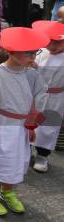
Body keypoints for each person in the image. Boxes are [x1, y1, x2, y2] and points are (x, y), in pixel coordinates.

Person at [0, 27, 49, 216]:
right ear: (11, 52)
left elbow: (39, 97)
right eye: (28, 52)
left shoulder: (32, 74)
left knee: (15, 159)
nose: (33, 56)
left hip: (20, 126)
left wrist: (32, 124)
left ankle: (7, 190)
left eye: (35, 52)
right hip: (0, 123)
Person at [31, 21, 64, 173]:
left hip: (57, 96)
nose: (53, 46)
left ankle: (42, 156)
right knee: (31, 122)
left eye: (58, 43)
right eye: (51, 42)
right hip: (37, 94)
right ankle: (26, 150)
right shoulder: (40, 52)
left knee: (49, 127)